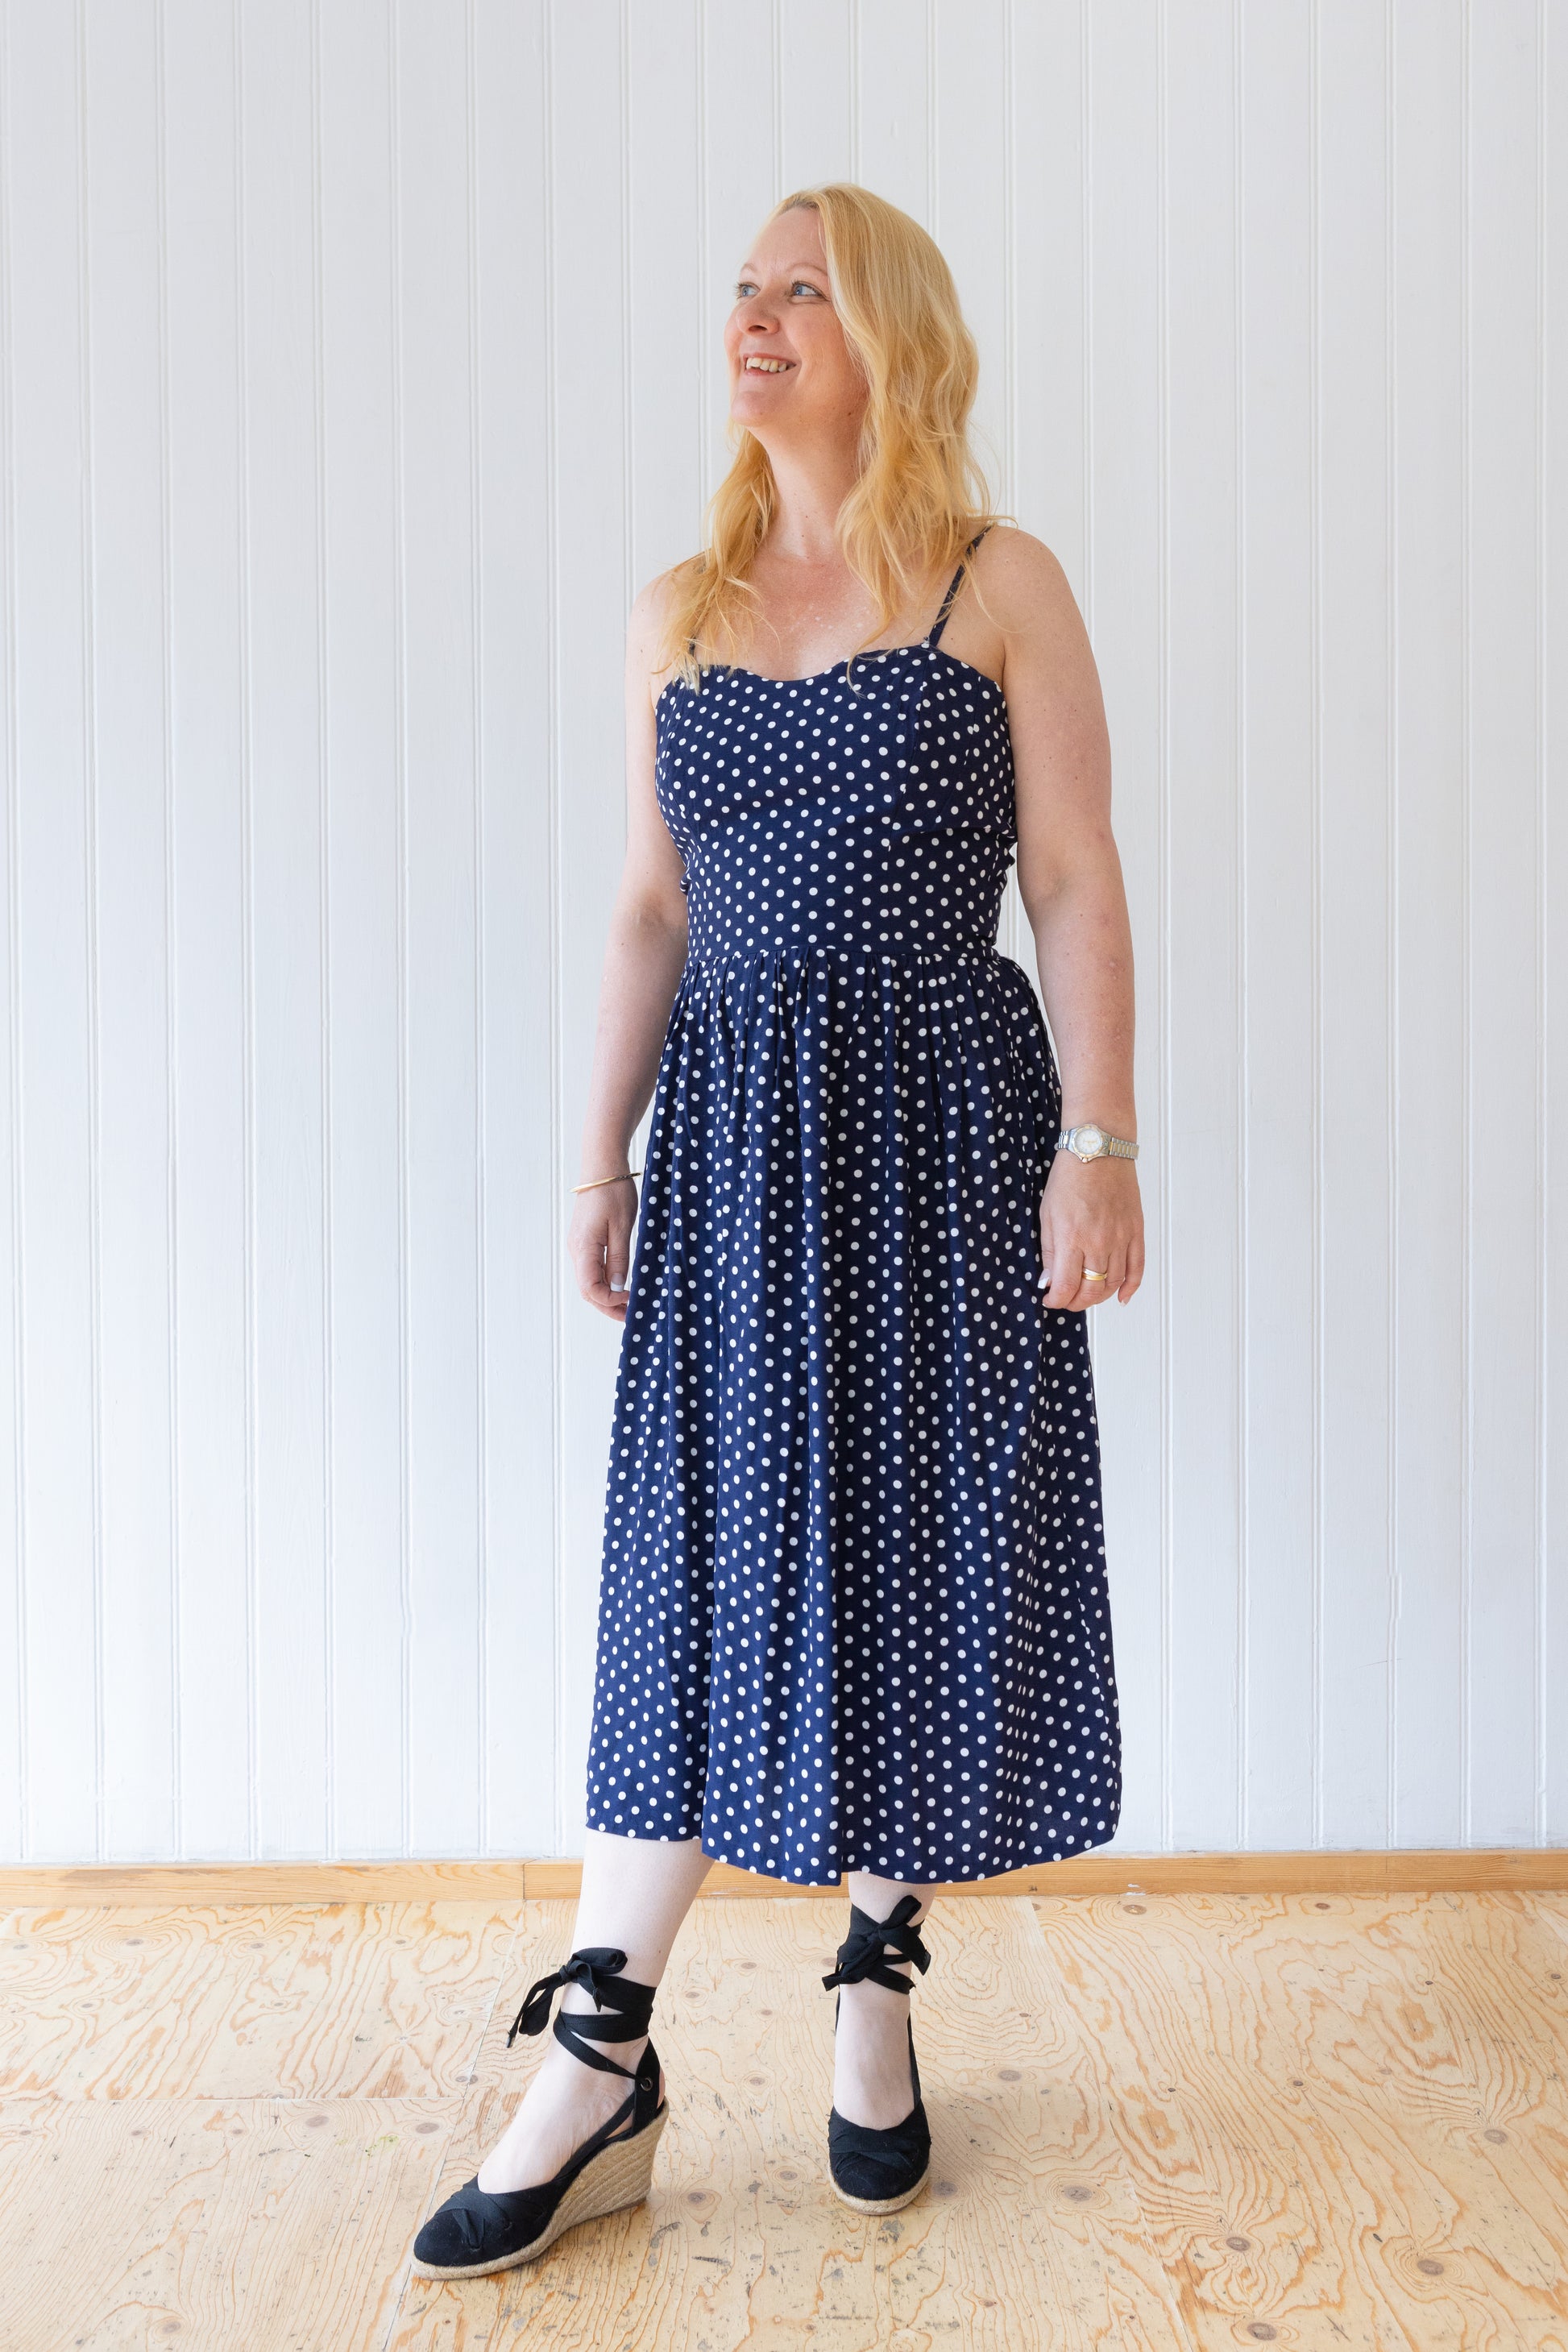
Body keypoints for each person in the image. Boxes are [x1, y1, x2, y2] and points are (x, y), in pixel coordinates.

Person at [412, 180, 1141, 2282]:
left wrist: (1094, 1136)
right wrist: (599, 1155)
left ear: (887, 329)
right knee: (698, 1566)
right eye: (737, 288)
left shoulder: (997, 583)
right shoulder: (679, 604)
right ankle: (603, 2049)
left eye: (795, 289)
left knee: (921, 1550)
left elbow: (1075, 878)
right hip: (734, 1149)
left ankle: (872, 1976)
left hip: (939, 1127)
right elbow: (652, 906)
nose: (749, 319)